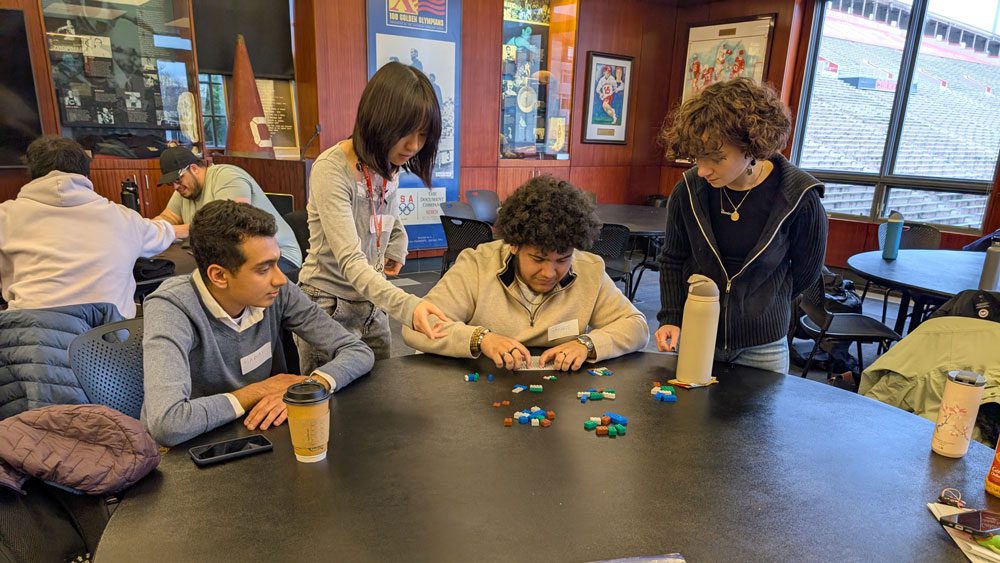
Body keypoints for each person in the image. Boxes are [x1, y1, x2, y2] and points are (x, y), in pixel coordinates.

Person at [141, 200, 373, 447]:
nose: (281, 279)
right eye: (263, 269)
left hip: (255, 436)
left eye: (277, 262)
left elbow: (357, 351)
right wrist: (261, 390)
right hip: (191, 450)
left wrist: (309, 386)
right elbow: (168, 423)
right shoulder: (171, 307)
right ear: (219, 275)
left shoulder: (277, 293)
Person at [654, 78, 828, 374]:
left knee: (758, 422)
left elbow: (806, 272)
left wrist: (764, 301)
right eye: (698, 157)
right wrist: (671, 317)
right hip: (695, 333)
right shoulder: (689, 189)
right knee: (688, 419)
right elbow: (673, 259)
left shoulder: (799, 197)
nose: (703, 169)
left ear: (752, 147)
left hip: (764, 345)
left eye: (716, 158)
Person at [403, 176, 649, 371]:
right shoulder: (477, 265)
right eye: (538, 259)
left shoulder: (589, 269)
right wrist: (480, 338)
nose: (549, 272)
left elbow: (636, 327)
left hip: (561, 398)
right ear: (514, 245)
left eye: (562, 259)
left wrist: (587, 344)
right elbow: (415, 327)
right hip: (480, 394)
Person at [297, 62, 450, 364]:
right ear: (379, 122)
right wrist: (409, 307)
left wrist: (397, 243)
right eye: (406, 134)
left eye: (422, 136)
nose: (414, 146)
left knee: (381, 397)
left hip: (373, 301)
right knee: (332, 405)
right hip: (328, 303)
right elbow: (351, 261)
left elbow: (387, 214)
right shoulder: (331, 170)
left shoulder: (389, 164)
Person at [0, 135, 174, 318]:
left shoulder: (5, 217)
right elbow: (163, 233)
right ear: (86, 174)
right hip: (112, 339)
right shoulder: (124, 218)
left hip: (35, 337)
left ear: (31, 174)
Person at [152, 146, 302, 276]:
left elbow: (228, 224)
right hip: (236, 259)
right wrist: (147, 230)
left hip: (278, 258)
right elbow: (168, 217)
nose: (175, 187)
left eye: (178, 180)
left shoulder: (226, 176)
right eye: (171, 183)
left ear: (194, 169)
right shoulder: (185, 190)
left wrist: (171, 232)